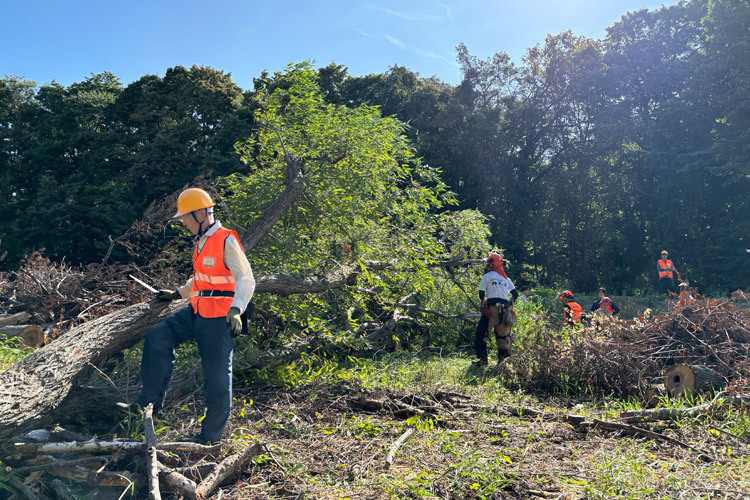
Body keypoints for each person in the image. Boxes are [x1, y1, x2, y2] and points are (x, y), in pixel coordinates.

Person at [128, 188, 255, 444]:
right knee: (158, 337)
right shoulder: (200, 242)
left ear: (200, 213)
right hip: (196, 311)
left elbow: (246, 279)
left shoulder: (225, 239)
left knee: (216, 378)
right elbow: (200, 281)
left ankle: (209, 438)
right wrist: (176, 294)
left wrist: (236, 309)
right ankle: (148, 407)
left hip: (220, 319)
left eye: (185, 217)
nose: (183, 222)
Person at [474, 252, 518, 365]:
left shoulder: (486, 277)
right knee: (503, 337)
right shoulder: (506, 279)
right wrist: (509, 304)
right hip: (505, 311)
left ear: (491, 264)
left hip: (491, 310)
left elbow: (481, 294)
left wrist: (485, 304)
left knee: (481, 334)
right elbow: (515, 294)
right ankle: (504, 363)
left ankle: (482, 360)